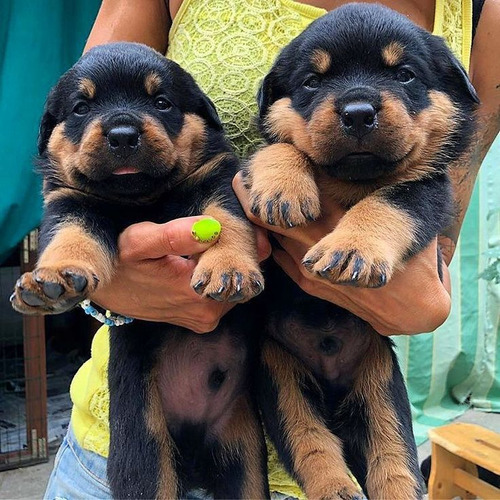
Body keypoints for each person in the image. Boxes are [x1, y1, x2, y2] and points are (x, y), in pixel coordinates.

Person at [44, 0, 500, 498]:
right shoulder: (277, 155)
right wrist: (101, 288)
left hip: (334, 416)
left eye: (405, 75)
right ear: (273, 102)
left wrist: (420, 300)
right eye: (312, 83)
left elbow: (435, 208)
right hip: (126, 432)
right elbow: (81, 156)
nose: (359, 105)